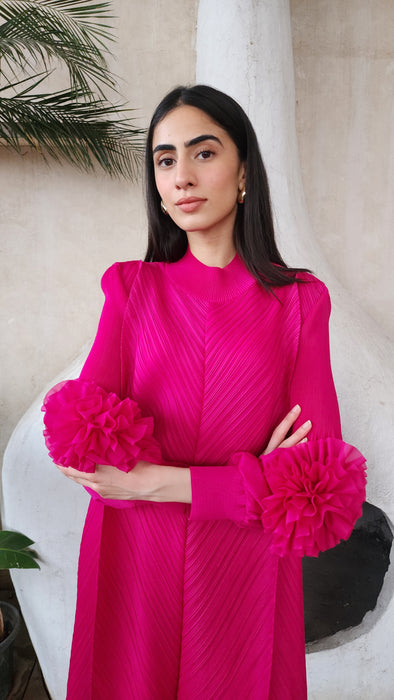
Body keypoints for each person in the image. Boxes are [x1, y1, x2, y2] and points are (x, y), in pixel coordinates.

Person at [42, 85, 366, 700]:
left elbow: (321, 491)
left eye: (203, 153)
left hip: (244, 568)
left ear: (245, 171)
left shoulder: (299, 302)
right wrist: (253, 478)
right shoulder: (130, 290)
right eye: (165, 160)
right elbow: (80, 443)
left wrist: (157, 481)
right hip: (135, 558)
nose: (182, 176)